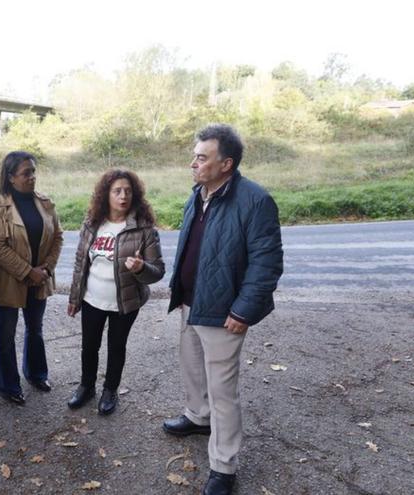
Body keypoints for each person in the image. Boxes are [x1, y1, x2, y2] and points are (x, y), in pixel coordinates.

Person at [162, 125, 283, 495]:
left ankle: (224, 466)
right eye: (195, 156)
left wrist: (243, 311)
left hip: (224, 311)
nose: (193, 163)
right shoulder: (197, 194)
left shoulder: (255, 200)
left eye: (202, 157)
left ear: (226, 163)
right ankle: (199, 418)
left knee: (223, 391)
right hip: (189, 302)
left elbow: (267, 263)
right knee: (193, 371)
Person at [66, 169, 164, 415]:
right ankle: (87, 386)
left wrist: (141, 268)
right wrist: (74, 298)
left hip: (125, 303)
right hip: (92, 300)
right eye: (117, 191)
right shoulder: (92, 224)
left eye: (128, 191)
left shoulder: (144, 230)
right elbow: (80, 264)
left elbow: (158, 271)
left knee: (116, 346)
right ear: (105, 194)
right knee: (89, 346)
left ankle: (110, 390)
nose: (123, 196)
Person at [0, 151, 63, 405]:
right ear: (11, 177)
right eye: (26, 173)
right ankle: (7, 385)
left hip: (40, 279)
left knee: (35, 329)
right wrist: (27, 271)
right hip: (10, 280)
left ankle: (37, 374)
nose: (32, 177)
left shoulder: (44, 202)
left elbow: (57, 237)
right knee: (6, 334)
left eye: (33, 171)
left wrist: (46, 270)